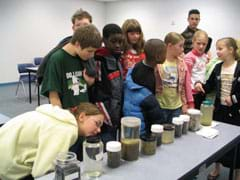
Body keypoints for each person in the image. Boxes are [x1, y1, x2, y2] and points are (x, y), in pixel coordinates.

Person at [0, 103, 104, 180]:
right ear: (82, 117)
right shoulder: (66, 129)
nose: (99, 130)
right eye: (97, 123)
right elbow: (43, 172)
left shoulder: (61, 117)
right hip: (6, 167)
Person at [195, 37, 240, 180]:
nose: (217, 51)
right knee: (218, 141)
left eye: (221, 48)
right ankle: (216, 168)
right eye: (217, 48)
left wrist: (233, 99)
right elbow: (209, 86)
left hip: (236, 112)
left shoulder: (239, 67)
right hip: (220, 111)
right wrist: (200, 85)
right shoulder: (217, 67)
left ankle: (238, 172)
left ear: (231, 50)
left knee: (237, 144)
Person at [41, 24, 102, 109]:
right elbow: (53, 96)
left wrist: (89, 82)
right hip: (67, 114)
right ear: (77, 44)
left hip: (83, 113)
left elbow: (82, 88)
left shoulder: (83, 57)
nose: (92, 55)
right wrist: (61, 117)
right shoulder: (57, 59)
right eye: (90, 51)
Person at [37, 9, 95, 85]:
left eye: (85, 25)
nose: (82, 28)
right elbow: (50, 56)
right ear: (73, 28)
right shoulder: (66, 43)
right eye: (78, 25)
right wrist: (40, 75)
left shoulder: (94, 43)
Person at [89, 24, 124, 144]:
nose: (117, 45)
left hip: (116, 108)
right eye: (113, 41)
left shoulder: (117, 57)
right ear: (104, 40)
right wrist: (107, 116)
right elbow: (97, 91)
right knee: (106, 141)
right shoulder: (99, 59)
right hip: (105, 112)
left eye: (120, 41)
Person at [123, 39, 167, 134]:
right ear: (158, 56)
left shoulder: (138, 66)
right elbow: (149, 104)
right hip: (140, 121)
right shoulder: (147, 77)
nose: (166, 55)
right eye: (165, 53)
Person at [155, 32, 194, 123]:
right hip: (161, 106)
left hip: (177, 106)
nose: (182, 49)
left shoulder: (181, 63)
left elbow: (184, 85)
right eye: (180, 46)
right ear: (170, 46)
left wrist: (185, 104)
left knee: (175, 132)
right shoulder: (158, 62)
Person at [184, 30, 209, 109]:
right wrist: (189, 99)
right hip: (192, 93)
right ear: (193, 42)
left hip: (201, 91)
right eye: (198, 43)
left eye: (204, 44)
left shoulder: (205, 56)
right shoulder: (189, 57)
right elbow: (186, 78)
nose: (201, 46)